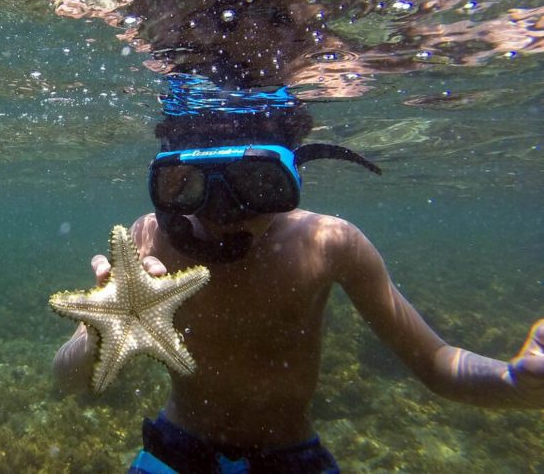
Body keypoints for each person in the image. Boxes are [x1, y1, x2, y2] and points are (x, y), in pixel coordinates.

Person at [51, 73, 544, 473]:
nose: (225, 210)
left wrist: (512, 382)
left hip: (290, 457)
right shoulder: (146, 240)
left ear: (293, 176)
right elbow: (65, 379)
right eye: (191, 185)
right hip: (176, 447)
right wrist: (101, 330)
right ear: (168, 181)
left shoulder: (331, 244)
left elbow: (437, 362)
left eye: (258, 183)